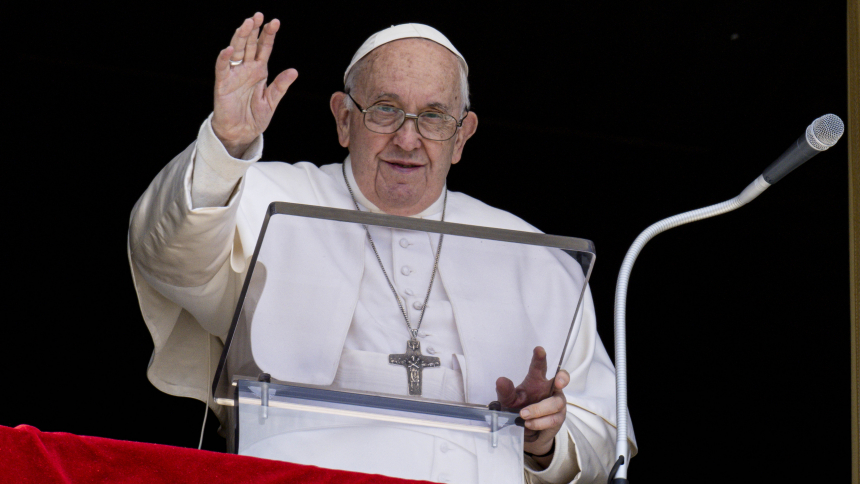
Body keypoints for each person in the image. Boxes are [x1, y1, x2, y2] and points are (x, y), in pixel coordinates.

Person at [128, 13, 636, 484]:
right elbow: (170, 255)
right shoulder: (266, 196)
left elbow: (603, 433)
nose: (408, 139)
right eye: (385, 110)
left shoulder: (534, 257)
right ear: (343, 119)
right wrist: (225, 145)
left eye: (435, 117)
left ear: (462, 137)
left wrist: (544, 438)